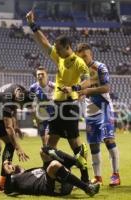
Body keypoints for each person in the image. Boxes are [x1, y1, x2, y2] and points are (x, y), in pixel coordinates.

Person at [26, 10, 90, 183]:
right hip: (56, 106)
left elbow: (87, 80)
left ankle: (84, 177)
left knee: (74, 144)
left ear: (67, 47)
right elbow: (45, 43)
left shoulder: (79, 63)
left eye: (59, 49)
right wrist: (33, 25)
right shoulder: (60, 58)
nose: (57, 52)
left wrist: (75, 87)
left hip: (69, 106)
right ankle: (48, 175)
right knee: (49, 147)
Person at [63, 43, 121, 186]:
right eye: (80, 57)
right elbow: (82, 86)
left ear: (91, 55)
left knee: (109, 140)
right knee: (94, 145)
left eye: (85, 56)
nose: (83, 59)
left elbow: (106, 87)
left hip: (104, 107)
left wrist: (88, 91)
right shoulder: (80, 71)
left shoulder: (100, 67)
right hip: (90, 112)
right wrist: (73, 90)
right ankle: (98, 177)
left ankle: (116, 175)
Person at [3, 146, 100, 197]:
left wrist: (8, 163)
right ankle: (87, 188)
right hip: (54, 189)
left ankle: (77, 162)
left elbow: (19, 168)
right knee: (53, 165)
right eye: (10, 166)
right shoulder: (14, 180)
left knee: (44, 151)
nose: (12, 164)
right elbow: (7, 190)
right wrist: (7, 174)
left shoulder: (26, 173)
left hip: (57, 178)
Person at [30, 66, 55, 146]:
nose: (40, 76)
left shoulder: (53, 86)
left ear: (46, 75)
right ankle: (49, 156)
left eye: (42, 74)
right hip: (40, 117)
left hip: (52, 116)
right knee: (44, 143)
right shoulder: (33, 88)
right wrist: (35, 118)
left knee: (49, 141)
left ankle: (51, 154)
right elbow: (30, 103)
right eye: (38, 74)